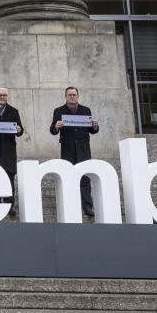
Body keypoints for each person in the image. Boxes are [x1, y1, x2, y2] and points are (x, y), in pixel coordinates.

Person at [50, 87, 101, 218]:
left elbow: (92, 130)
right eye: (69, 95)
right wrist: (56, 127)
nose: (72, 97)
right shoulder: (58, 111)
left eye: (74, 94)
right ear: (65, 96)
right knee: (69, 178)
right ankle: (70, 205)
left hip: (83, 150)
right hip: (68, 150)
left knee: (85, 178)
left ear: (78, 96)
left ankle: (87, 206)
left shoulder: (86, 110)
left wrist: (95, 126)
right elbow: (52, 130)